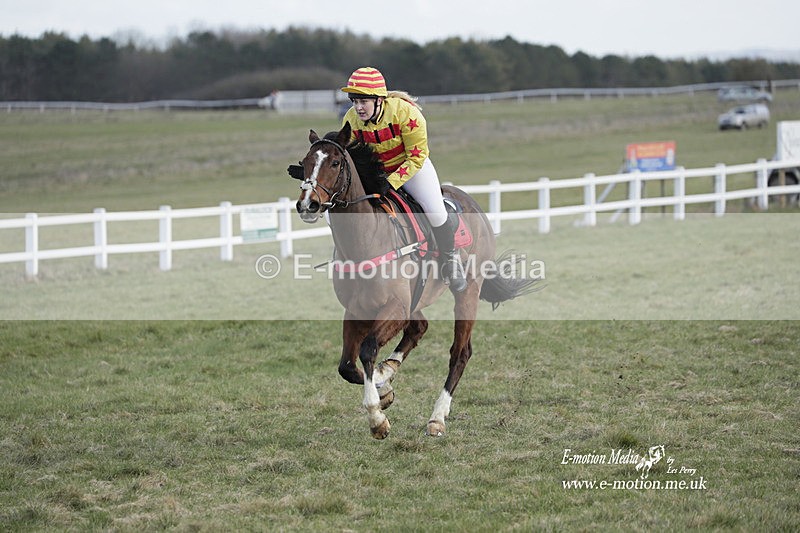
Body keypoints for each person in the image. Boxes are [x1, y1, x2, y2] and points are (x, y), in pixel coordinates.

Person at [340, 66, 466, 292]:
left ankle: (451, 262)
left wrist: (390, 183)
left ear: (379, 100)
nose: (358, 108)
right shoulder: (351, 119)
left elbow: (417, 156)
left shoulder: (407, 113)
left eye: (363, 102)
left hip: (412, 168)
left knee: (436, 212)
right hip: (378, 172)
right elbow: (350, 157)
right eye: (354, 101)